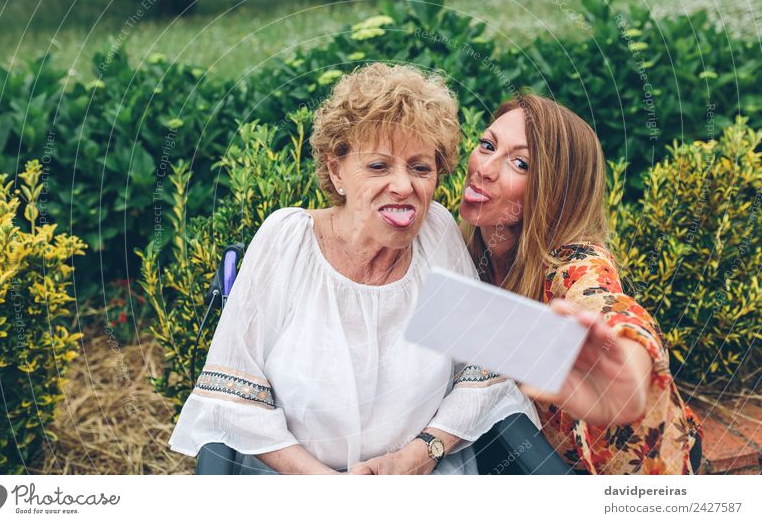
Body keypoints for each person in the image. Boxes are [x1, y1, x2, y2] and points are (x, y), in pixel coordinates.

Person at [168, 63, 539, 474]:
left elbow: (480, 372)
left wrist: (418, 455)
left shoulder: (436, 232)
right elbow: (234, 401)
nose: (403, 186)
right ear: (335, 170)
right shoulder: (287, 241)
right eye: (378, 166)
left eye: (420, 168)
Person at [459, 93, 703, 474]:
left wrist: (630, 374)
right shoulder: (461, 250)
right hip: (535, 450)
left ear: (555, 190)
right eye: (487, 145)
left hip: (623, 459)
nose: (485, 168)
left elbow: (607, 305)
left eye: (519, 163)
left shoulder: (570, 263)